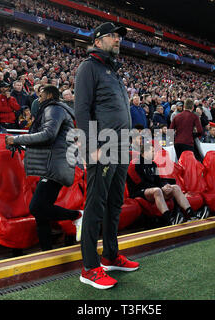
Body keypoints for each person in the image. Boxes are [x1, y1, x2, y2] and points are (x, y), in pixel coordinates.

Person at [74, 22, 139, 290]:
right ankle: (89, 267)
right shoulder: (88, 67)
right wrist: (90, 148)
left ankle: (110, 255)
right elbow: (81, 110)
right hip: (103, 145)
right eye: (113, 36)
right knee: (95, 205)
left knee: (115, 203)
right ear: (98, 41)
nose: (117, 40)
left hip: (121, 145)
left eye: (118, 37)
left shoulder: (112, 71)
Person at [5, 85, 82, 250]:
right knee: (41, 213)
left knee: (36, 207)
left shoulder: (54, 109)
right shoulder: (55, 110)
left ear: (48, 95)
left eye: (40, 96)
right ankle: (46, 251)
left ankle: (77, 215)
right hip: (51, 163)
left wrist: (17, 139)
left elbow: (48, 135)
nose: (38, 99)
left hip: (55, 165)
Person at [126, 142, 203, 225]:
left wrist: (165, 186)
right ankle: (168, 220)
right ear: (144, 152)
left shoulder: (153, 164)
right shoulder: (134, 164)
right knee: (157, 190)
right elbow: (140, 184)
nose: (154, 153)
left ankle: (192, 215)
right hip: (138, 192)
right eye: (152, 151)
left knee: (175, 187)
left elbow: (158, 180)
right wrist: (161, 188)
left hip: (153, 190)